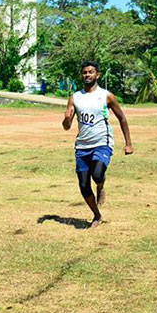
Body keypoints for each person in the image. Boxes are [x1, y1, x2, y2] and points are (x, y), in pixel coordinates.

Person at [62, 61, 133, 228]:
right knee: (84, 184)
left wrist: (128, 143)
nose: (87, 75)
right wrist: (66, 118)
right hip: (82, 146)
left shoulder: (107, 96)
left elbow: (122, 118)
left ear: (97, 75)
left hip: (102, 142)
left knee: (98, 174)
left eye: (91, 72)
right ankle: (96, 215)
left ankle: (101, 186)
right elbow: (67, 127)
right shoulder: (75, 98)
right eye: (85, 72)